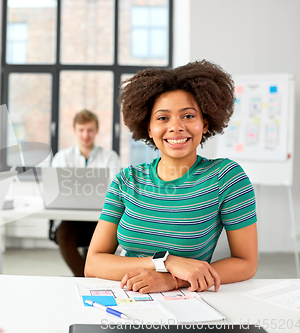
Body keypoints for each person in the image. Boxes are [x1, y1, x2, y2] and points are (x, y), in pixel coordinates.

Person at [85, 60, 258, 293]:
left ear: (204, 124)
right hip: (130, 296)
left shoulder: (226, 178)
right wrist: (165, 262)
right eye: (163, 118)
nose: (176, 127)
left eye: (187, 116)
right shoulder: (126, 180)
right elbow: (93, 263)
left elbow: (246, 263)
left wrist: (172, 281)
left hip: (190, 300)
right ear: (148, 128)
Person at [51, 110, 120, 277]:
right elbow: (55, 190)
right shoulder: (62, 157)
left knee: (107, 236)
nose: (85, 135)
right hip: (71, 218)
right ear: (74, 130)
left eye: (89, 130)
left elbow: (115, 191)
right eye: (81, 130)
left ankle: (88, 275)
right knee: (63, 233)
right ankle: (85, 277)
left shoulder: (110, 157)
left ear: (96, 130)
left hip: (101, 217)